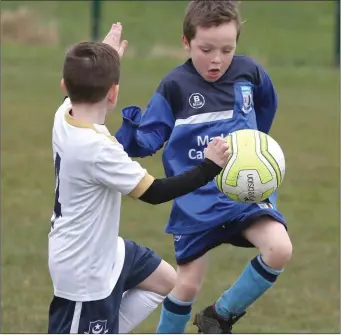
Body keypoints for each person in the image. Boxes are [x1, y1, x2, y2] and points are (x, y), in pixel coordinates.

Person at [115, 1, 293, 333]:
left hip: (243, 195)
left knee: (279, 248)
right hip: (196, 199)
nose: (217, 59)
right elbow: (151, 138)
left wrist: (254, 151)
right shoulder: (175, 86)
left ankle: (220, 316)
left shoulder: (249, 73)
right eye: (206, 49)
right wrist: (130, 132)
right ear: (186, 42)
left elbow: (267, 104)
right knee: (186, 286)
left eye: (227, 49)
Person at [47, 23, 231, 334]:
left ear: (65, 86)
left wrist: (107, 58)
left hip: (106, 249)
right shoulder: (98, 149)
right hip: (84, 270)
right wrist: (209, 167)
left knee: (165, 281)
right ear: (114, 93)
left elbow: (86, 81)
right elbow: (155, 192)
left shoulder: (64, 115)